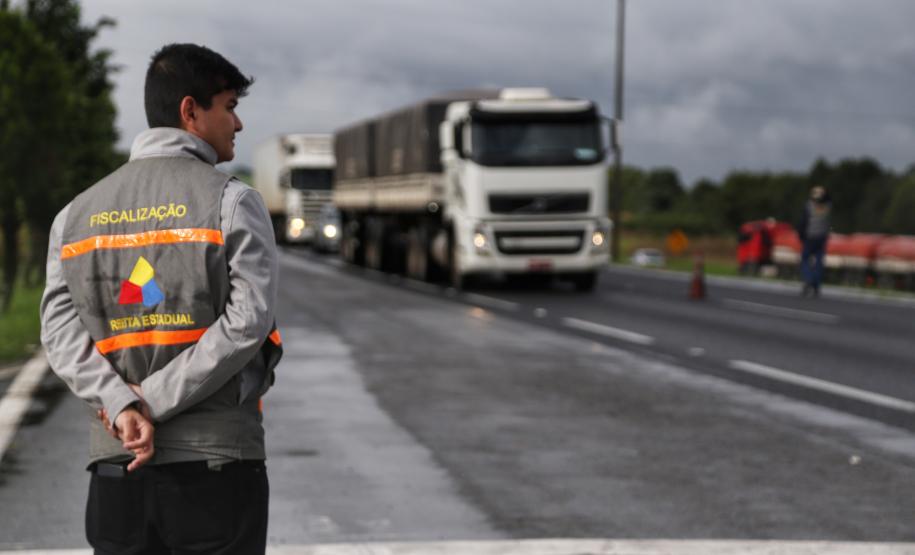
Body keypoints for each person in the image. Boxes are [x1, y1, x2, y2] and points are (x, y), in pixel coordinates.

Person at [40, 43, 282, 554]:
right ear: (189, 111)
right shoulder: (232, 202)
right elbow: (248, 322)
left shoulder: (75, 216)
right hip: (216, 472)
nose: (237, 124)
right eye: (230, 106)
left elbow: (58, 336)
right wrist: (150, 401)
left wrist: (122, 405)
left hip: (116, 471)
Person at [796, 185, 832, 297]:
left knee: (805, 260)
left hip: (810, 237)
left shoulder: (809, 206)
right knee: (819, 263)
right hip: (822, 237)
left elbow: (803, 223)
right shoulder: (828, 206)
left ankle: (808, 279)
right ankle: (816, 285)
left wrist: (800, 235)